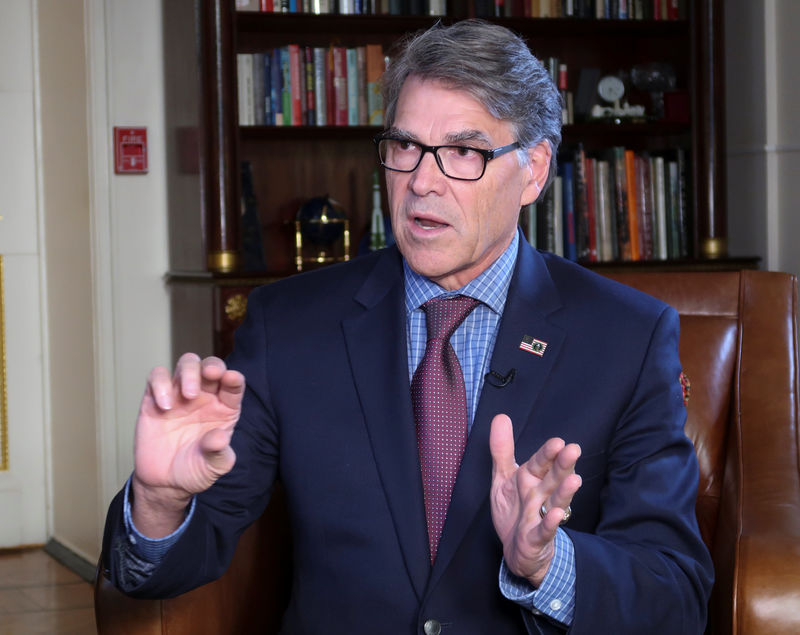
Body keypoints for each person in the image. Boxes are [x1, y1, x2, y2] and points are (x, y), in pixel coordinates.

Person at [101, 19, 713, 634]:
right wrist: (158, 499)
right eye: (405, 147)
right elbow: (169, 564)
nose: (422, 181)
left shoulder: (627, 339)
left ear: (533, 171)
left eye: (463, 152)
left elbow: (675, 595)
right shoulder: (289, 325)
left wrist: (548, 564)